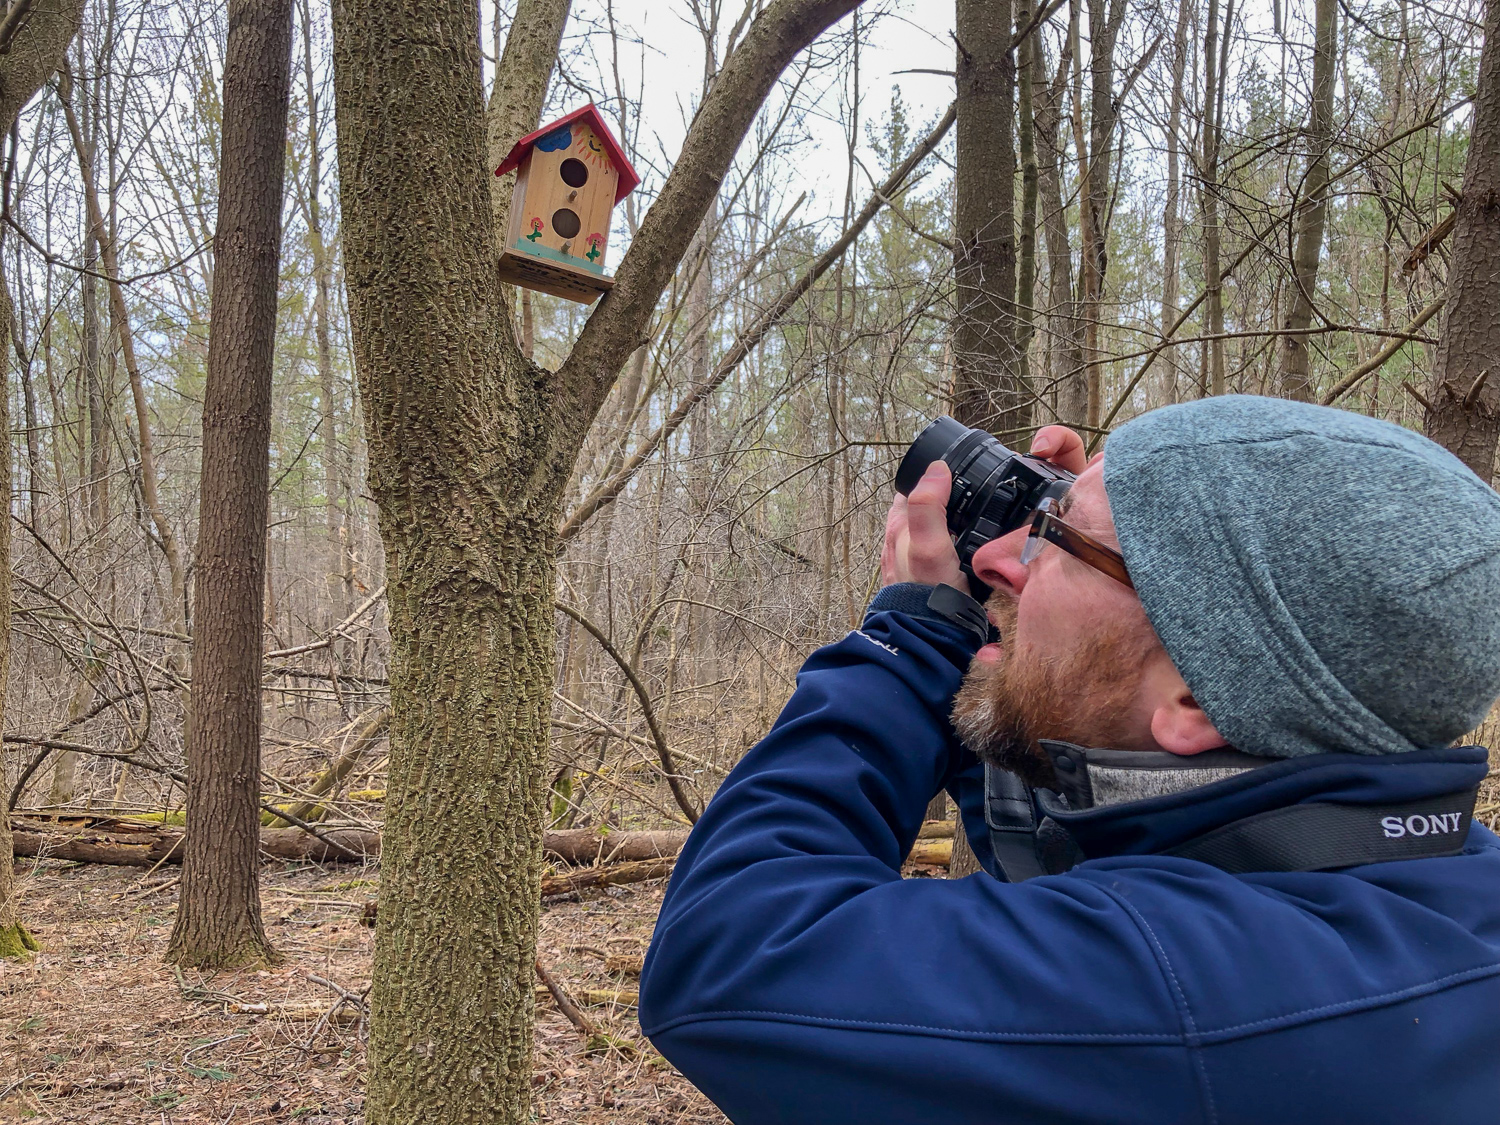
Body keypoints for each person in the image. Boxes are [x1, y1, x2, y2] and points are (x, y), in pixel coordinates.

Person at [638, 395, 1500, 1125]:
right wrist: (1048, 636)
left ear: (1197, 698)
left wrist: (909, 637)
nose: (991, 559)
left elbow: (727, 952)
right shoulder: (1436, 885)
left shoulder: (1182, 1000)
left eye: (1057, 541)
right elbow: (1112, 865)